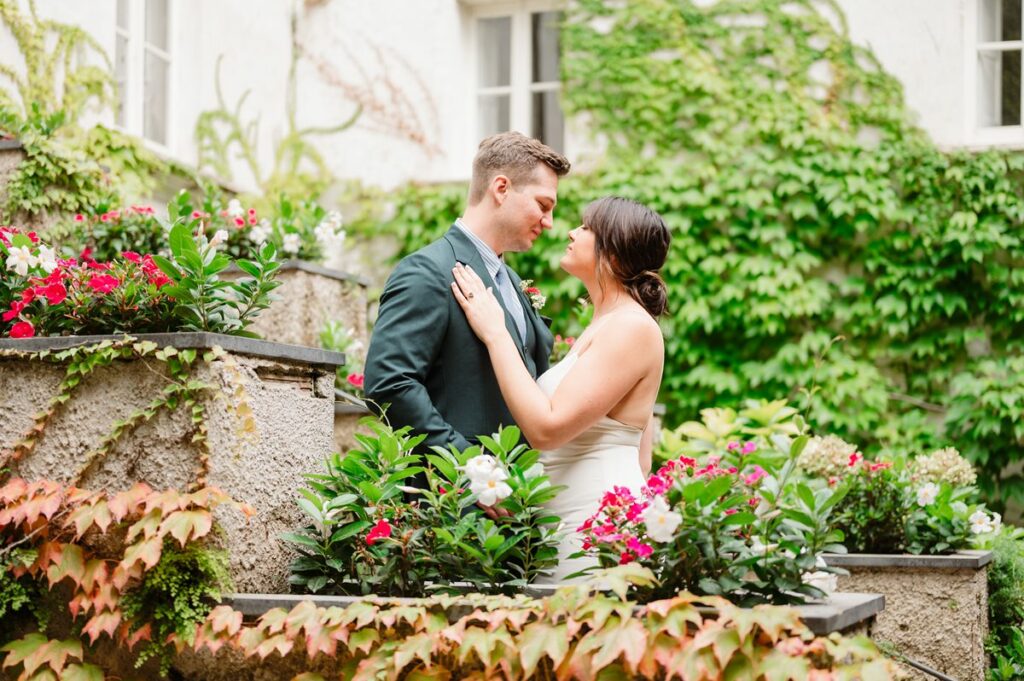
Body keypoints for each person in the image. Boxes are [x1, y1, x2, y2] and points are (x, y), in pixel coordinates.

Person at [450, 196, 671, 582]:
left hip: (593, 526)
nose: (571, 231)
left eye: (587, 228)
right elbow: (642, 458)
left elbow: (548, 429)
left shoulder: (631, 328)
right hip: (573, 518)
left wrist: (495, 332)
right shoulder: (608, 324)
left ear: (614, 255)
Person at [364, 132, 570, 464]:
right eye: (543, 205)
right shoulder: (428, 271)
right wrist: (469, 466)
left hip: (520, 496)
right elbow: (389, 383)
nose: (549, 222)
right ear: (501, 188)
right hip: (456, 498)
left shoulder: (514, 283)